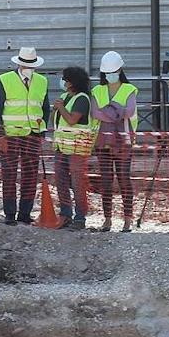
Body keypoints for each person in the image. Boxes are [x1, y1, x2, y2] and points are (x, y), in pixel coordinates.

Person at [0, 46, 51, 225]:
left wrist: (41, 132)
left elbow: (45, 108)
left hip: (32, 134)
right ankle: (10, 214)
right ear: (18, 64)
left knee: (30, 175)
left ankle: (24, 214)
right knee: (9, 175)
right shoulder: (4, 80)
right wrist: (0, 135)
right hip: (10, 135)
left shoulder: (42, 81)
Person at [90, 50, 138, 232]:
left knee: (124, 179)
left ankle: (127, 219)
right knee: (106, 180)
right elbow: (94, 112)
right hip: (102, 142)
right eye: (107, 73)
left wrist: (107, 113)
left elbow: (130, 111)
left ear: (120, 70)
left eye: (113, 71)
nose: (110, 75)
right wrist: (117, 112)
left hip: (123, 141)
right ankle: (107, 219)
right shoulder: (97, 90)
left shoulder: (129, 89)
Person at [50, 65, 94, 231]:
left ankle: (80, 217)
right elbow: (57, 120)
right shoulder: (64, 97)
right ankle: (65, 214)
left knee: (77, 183)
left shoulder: (82, 99)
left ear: (72, 82)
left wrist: (60, 108)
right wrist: (56, 110)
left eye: (65, 79)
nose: (63, 81)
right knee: (60, 181)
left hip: (77, 148)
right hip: (62, 147)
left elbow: (72, 119)